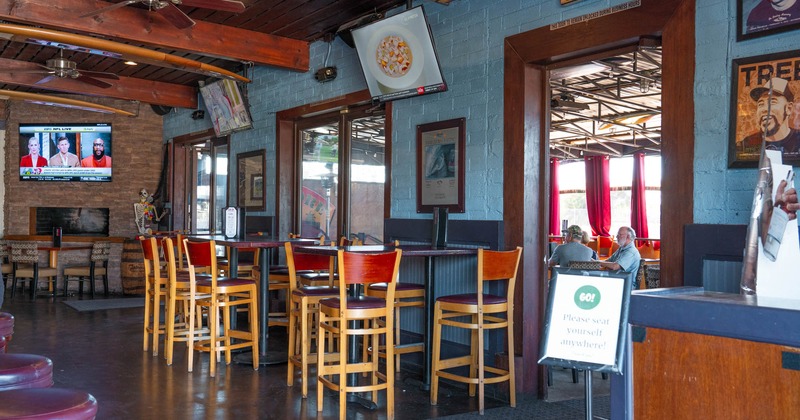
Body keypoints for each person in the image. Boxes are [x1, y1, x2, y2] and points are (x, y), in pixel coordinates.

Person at [739, 77, 800, 158]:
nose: (764, 109)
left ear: (788, 108)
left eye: (772, 102)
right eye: (760, 104)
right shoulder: (747, 143)